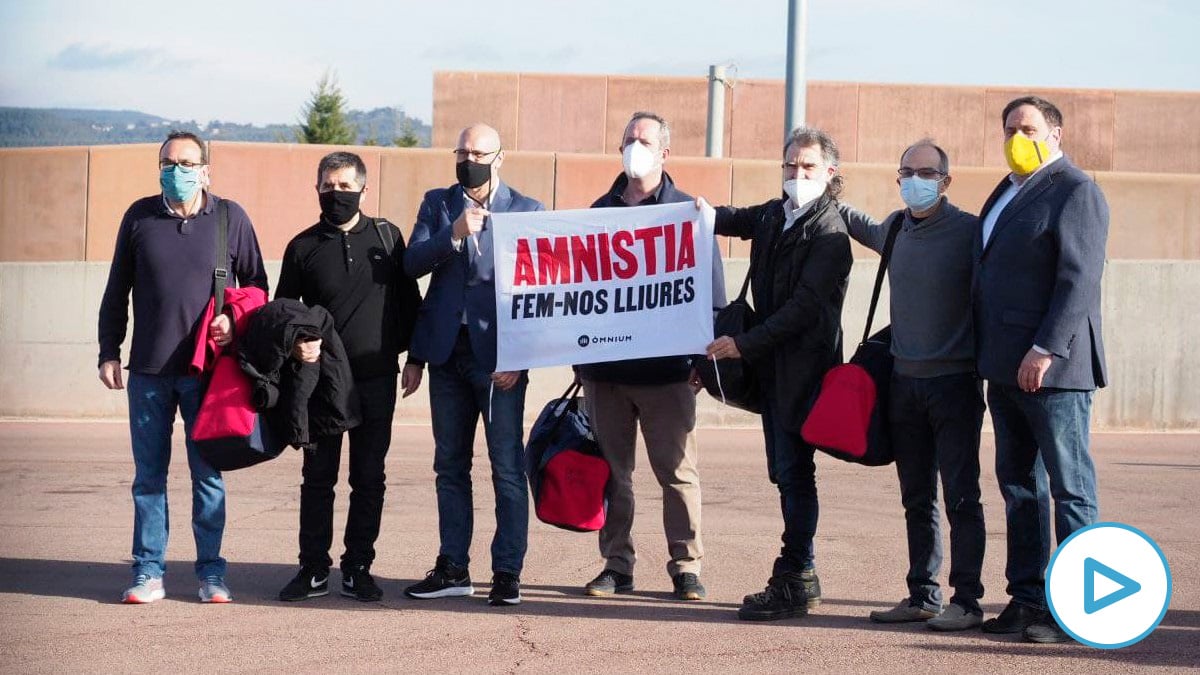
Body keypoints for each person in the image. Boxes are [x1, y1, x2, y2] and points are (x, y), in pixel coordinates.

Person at [98, 130, 268, 604]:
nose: (178, 171)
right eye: (169, 163)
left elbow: (257, 284)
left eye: (187, 163)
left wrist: (233, 320)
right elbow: (117, 290)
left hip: (207, 375)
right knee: (148, 477)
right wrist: (108, 350)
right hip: (148, 371)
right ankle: (148, 571)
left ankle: (211, 572)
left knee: (208, 477)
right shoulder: (139, 217)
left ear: (206, 169)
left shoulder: (230, 218)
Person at [975, 96, 1109, 644]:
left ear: (1054, 133)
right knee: (1019, 487)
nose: (1016, 137)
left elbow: (1078, 279)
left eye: (1027, 128)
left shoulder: (1076, 190)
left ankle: (1076, 608)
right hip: (1003, 368)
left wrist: (1046, 348)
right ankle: (1027, 600)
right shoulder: (1005, 190)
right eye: (1009, 128)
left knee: (1069, 488)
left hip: (1052, 369)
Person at [576, 111, 726, 602]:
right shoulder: (597, 212)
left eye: (643, 140)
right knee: (614, 475)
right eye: (627, 139)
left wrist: (704, 364)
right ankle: (617, 565)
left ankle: (686, 566)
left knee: (678, 473)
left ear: (664, 152)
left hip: (669, 377)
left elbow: (714, 299)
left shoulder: (689, 214)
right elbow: (576, 292)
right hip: (607, 376)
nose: (633, 147)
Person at [704, 125, 852, 621]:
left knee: (794, 473)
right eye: (790, 165)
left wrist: (741, 345)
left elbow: (805, 308)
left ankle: (796, 574)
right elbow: (729, 218)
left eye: (808, 167)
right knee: (784, 472)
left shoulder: (830, 233)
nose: (797, 174)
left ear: (829, 173)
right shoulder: (773, 214)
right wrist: (689, 209)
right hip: (772, 370)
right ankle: (797, 573)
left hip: (805, 373)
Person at [843, 140, 987, 631]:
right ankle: (922, 595)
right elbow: (854, 222)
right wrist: (821, 186)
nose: (915, 180)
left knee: (962, 496)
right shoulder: (896, 229)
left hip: (955, 385)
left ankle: (966, 600)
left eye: (926, 172)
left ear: (946, 181)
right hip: (904, 384)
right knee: (917, 498)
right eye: (907, 171)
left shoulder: (971, 232)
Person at [402, 123, 543, 607]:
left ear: (499, 157)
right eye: (462, 151)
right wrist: (454, 234)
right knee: (450, 466)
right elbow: (412, 263)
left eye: (479, 152)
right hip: (445, 353)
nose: (469, 159)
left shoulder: (527, 211)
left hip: (499, 361)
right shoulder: (437, 203)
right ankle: (453, 567)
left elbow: (538, 295)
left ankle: (507, 571)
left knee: (506, 466)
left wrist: (521, 359)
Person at [274, 151, 422, 602]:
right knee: (318, 478)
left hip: (377, 378)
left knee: (369, 478)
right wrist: (295, 343)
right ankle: (313, 568)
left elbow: (410, 303)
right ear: (316, 188)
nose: (336, 194)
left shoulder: (388, 237)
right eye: (328, 186)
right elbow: (283, 310)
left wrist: (416, 358)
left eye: (344, 186)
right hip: (321, 384)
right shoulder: (302, 246)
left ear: (363, 188)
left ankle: (358, 567)